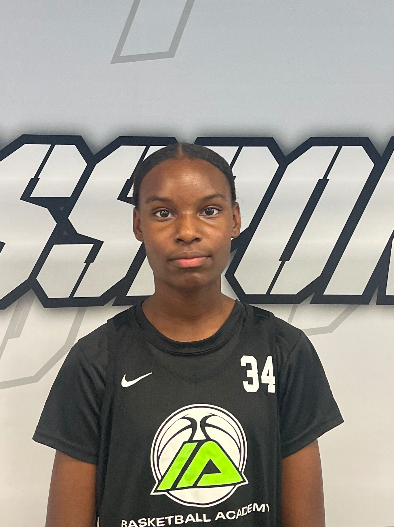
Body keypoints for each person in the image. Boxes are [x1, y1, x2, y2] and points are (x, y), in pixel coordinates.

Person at [33, 143, 343, 527]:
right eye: (163, 213)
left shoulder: (284, 351)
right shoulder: (96, 360)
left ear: (234, 220)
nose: (187, 232)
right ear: (138, 224)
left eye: (209, 210)